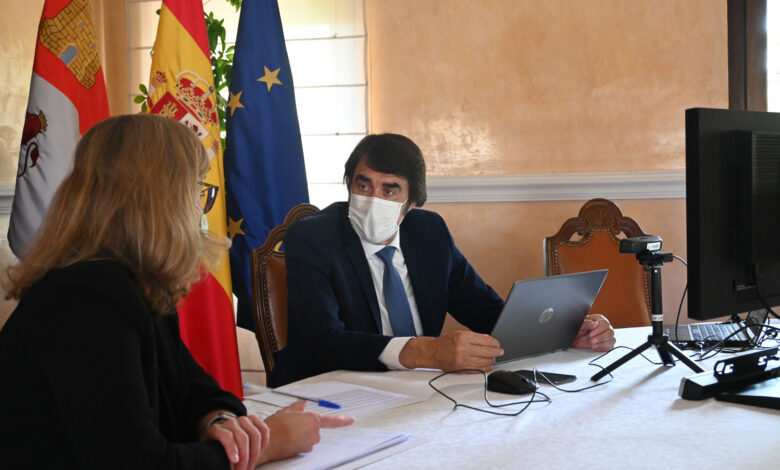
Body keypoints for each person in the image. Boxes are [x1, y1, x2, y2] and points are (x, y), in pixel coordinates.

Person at [0, 114, 352, 469]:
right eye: (197, 188)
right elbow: (136, 464)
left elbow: (193, 390)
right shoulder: (87, 299)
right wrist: (268, 445)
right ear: (160, 199)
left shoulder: (134, 283)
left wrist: (219, 421)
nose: (200, 206)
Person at [270, 133, 616, 387]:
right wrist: (424, 352)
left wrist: (566, 330)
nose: (373, 198)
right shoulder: (314, 237)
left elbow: (487, 313)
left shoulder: (428, 232)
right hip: (334, 390)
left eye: (390, 189)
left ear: (412, 203)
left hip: (419, 390)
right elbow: (321, 340)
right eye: (363, 185)